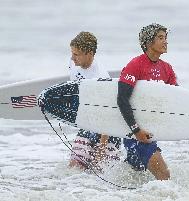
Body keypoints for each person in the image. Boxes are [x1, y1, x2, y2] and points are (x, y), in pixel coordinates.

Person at [117, 23, 178, 180]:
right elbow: (122, 99)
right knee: (164, 176)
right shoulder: (135, 65)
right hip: (135, 135)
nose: (166, 42)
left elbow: (175, 99)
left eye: (166, 38)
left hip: (150, 133)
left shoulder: (167, 69)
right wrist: (136, 131)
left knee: (136, 180)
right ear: (149, 42)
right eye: (160, 38)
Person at [68, 31, 121, 170]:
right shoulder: (74, 64)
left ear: (89, 53)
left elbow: (108, 112)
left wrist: (102, 147)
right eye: (72, 53)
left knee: (102, 171)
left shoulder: (100, 76)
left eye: (76, 54)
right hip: (88, 125)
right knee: (74, 168)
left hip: (108, 131)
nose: (72, 58)